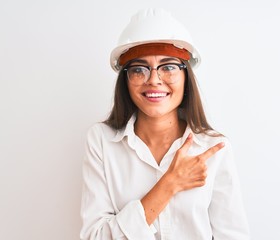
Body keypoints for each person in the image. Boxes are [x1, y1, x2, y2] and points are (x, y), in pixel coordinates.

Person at [80, 8, 250, 240]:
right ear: (126, 80)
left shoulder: (214, 148)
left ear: (185, 76)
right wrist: (169, 184)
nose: (153, 80)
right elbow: (95, 236)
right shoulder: (101, 140)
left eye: (168, 67)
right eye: (139, 69)